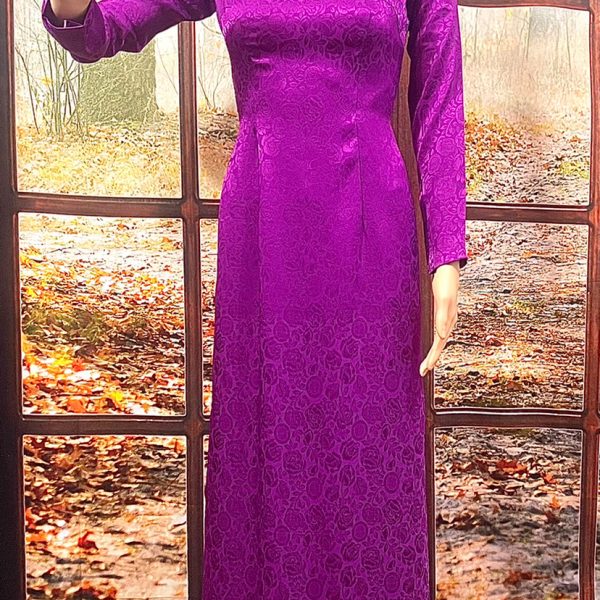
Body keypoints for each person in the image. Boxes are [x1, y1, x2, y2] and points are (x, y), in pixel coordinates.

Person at [41, 0, 469, 597]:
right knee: (266, 435)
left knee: (368, 444)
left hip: (370, 230)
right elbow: (99, 29)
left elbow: (440, 92)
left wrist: (446, 247)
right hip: (262, 231)